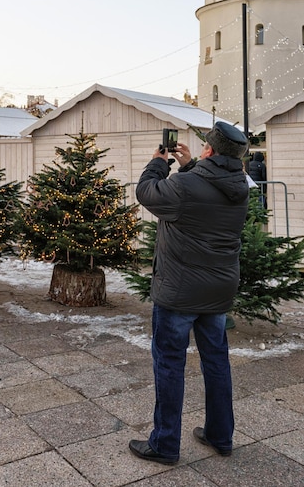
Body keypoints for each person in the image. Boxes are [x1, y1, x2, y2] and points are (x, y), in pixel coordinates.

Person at [129, 121, 249, 465]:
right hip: (218, 291)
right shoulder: (239, 185)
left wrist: (158, 162)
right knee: (216, 361)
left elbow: (146, 192)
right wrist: (190, 166)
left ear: (208, 150)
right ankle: (220, 435)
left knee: (169, 364)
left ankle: (165, 444)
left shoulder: (184, 185)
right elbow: (208, 190)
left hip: (179, 293)